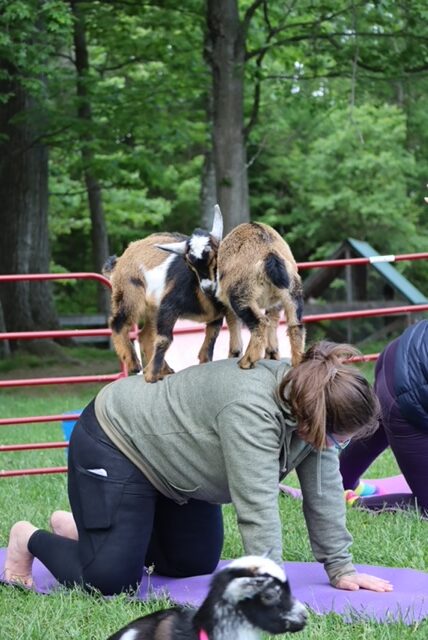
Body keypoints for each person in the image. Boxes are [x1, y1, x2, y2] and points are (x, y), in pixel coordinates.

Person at [4, 341, 393, 595]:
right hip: (120, 439)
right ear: (316, 417)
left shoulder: (314, 405)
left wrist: (340, 568)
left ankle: (87, 531)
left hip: (178, 467)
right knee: (111, 581)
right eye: (339, 438)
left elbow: (324, 491)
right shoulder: (251, 410)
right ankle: (29, 538)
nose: (338, 447)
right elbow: (257, 505)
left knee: (191, 564)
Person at [340, 320, 428, 517]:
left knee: (375, 431)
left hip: (397, 353)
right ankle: (356, 503)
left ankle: (338, 483)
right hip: (406, 388)